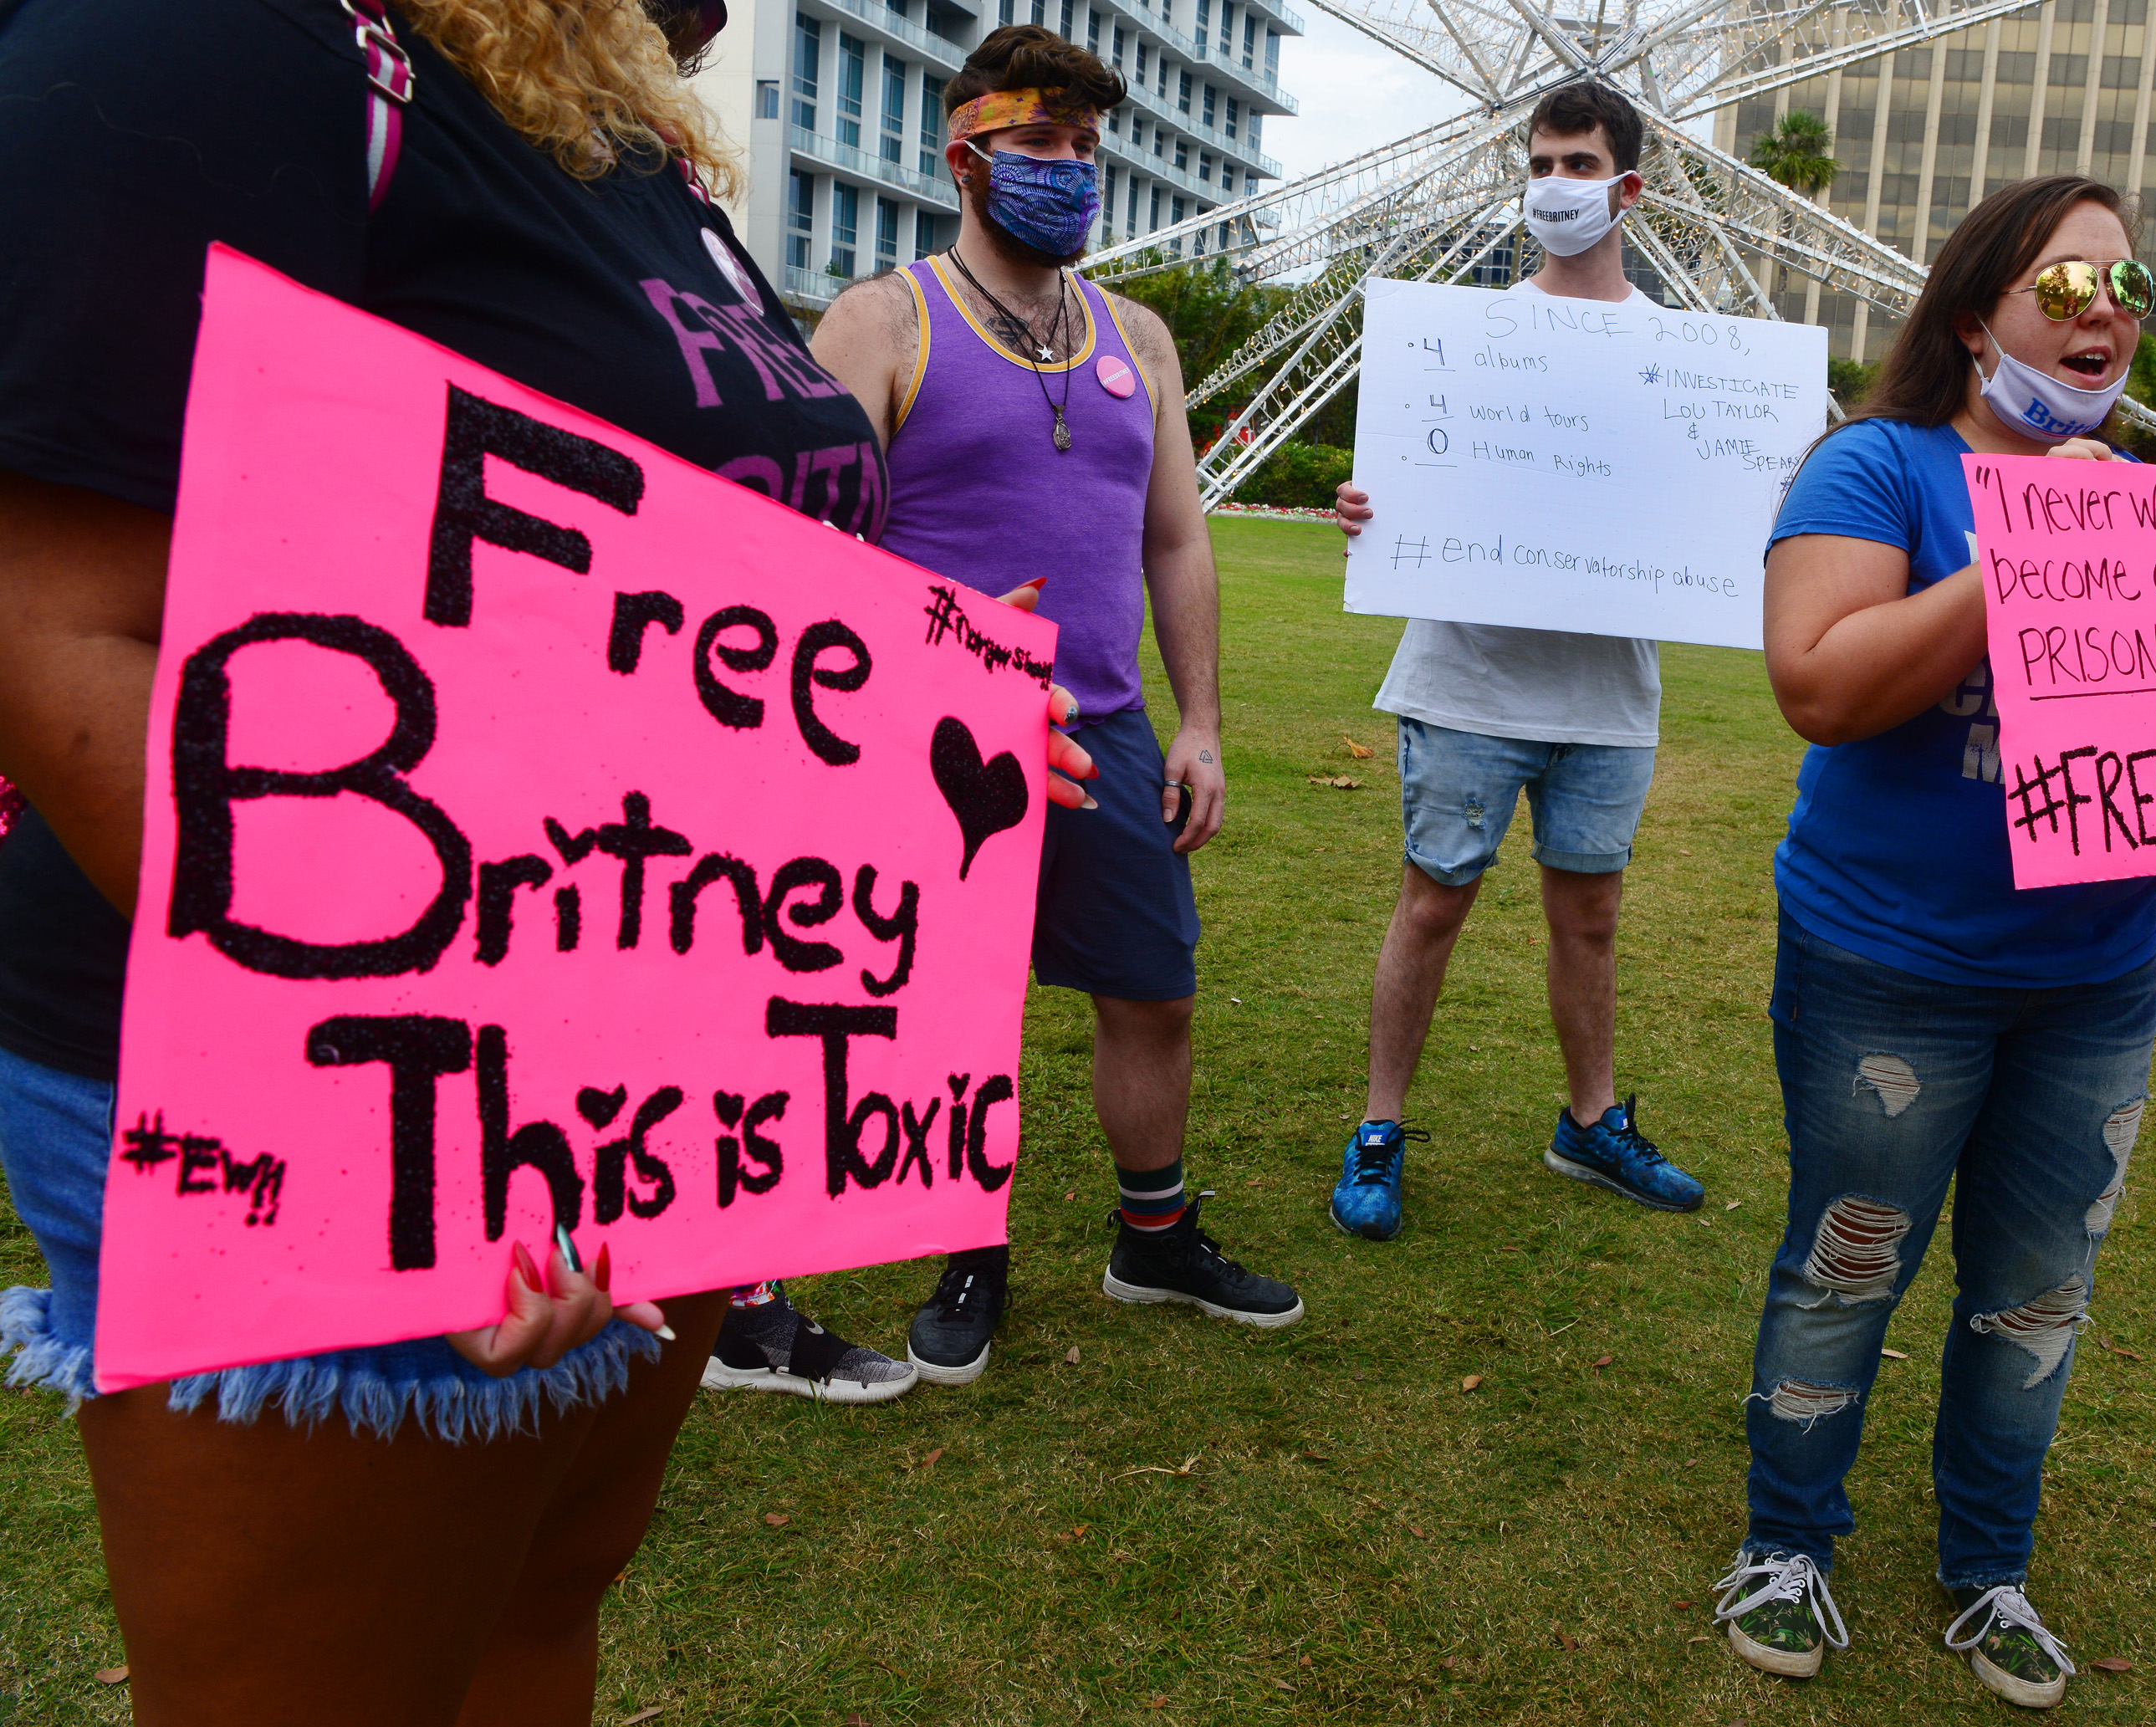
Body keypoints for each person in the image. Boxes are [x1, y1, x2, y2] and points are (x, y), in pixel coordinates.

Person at [0, 3, 1091, 1719]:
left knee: (532, 1609)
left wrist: (907, 726)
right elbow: (61, 626)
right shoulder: (219, 41)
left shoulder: (619, 135)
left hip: (641, 1086)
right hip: (364, 1099)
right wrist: (463, 1132)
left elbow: (654, 603)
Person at [1707, 175, 2156, 1710]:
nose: (2108, 315)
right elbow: (1819, 684)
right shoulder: (1876, 468)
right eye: (2068, 285)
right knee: (1848, 1266)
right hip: (1889, 963)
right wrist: (2030, 558)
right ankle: (1788, 1540)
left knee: (2038, 1289)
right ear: (1977, 318)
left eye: (2128, 286)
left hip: (2092, 982)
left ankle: (1990, 1565)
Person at [809, 25, 1301, 1387]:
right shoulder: (882, 318)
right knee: (951, 1010)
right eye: (1043, 145)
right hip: (942, 735)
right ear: (967, 155)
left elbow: (1178, 540)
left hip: (1109, 727)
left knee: (1154, 990)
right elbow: (823, 547)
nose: (1072, 171)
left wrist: (1197, 721)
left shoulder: (1137, 334)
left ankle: (1155, 1235)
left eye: (1087, 147)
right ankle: (972, 1245)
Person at [1325, 82, 1706, 1242]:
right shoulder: (1460, 341)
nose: (1556, 184)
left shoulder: (1683, 357)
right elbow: (1412, 483)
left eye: (1581, 164)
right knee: (1433, 901)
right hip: (1468, 682)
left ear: (1627, 189)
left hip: (1606, 695)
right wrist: (1372, 509)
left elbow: (1709, 512)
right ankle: (1381, 1127)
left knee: (1590, 914)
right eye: (1541, 161)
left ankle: (1589, 1120)